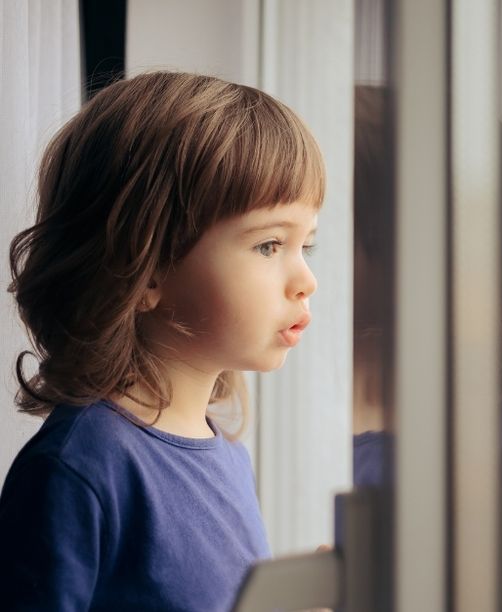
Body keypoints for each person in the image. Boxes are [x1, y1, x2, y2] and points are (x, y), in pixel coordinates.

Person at [0, 71, 325, 611]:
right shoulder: (79, 468)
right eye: (269, 245)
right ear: (146, 270)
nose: (305, 280)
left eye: (304, 246)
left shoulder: (227, 457)